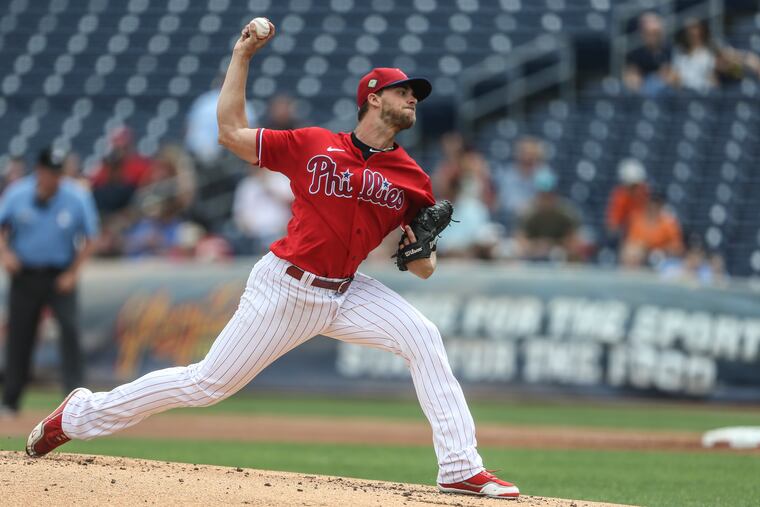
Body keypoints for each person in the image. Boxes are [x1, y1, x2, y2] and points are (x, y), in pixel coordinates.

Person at [25, 18, 519, 500]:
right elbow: (229, 132)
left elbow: (423, 268)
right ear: (373, 97)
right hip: (286, 287)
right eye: (404, 91)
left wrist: (422, 248)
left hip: (347, 290)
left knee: (423, 336)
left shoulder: (412, 177)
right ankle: (78, 415)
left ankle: (460, 468)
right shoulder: (313, 144)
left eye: (416, 95)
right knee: (207, 384)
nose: (414, 99)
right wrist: (242, 56)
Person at [0, 148, 99, 417]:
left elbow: (91, 238)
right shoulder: (17, 193)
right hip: (25, 275)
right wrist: (5, 253)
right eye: (49, 172)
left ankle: (77, 404)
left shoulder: (76, 196)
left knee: (70, 332)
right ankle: (11, 401)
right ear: (39, 171)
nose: (54, 178)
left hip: (60, 275)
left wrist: (73, 273)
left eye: (58, 172)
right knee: (20, 335)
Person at [185, 74, 256, 166]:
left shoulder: (203, 100)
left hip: (202, 155)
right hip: (217, 157)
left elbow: (188, 128)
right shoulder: (241, 103)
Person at [515, 168, 583, 262]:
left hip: (561, 259)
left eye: (549, 195)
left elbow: (575, 242)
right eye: (543, 195)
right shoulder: (527, 212)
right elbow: (520, 243)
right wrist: (538, 247)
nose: (546, 199)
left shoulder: (567, 213)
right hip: (532, 259)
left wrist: (552, 246)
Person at [493, 136, 552, 232]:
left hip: (536, 220)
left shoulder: (544, 174)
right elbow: (502, 201)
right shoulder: (508, 173)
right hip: (510, 219)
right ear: (518, 154)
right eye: (525, 153)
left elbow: (547, 201)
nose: (528, 157)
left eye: (532, 154)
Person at [231, 165, 293, 255]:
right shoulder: (246, 185)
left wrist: (268, 186)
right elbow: (239, 215)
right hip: (255, 236)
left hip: (281, 231)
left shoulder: (280, 179)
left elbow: (292, 203)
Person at [620, 191, 684, 268]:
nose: (653, 207)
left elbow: (678, 247)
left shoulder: (668, 222)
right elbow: (630, 242)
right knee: (631, 252)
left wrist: (659, 249)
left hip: (662, 258)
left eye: (656, 205)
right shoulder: (638, 220)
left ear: (660, 206)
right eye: (651, 204)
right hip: (640, 257)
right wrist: (642, 248)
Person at [623, 12, 676, 96]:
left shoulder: (667, 49)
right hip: (641, 90)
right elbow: (631, 75)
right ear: (642, 33)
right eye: (648, 33)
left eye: (655, 33)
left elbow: (670, 75)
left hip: (663, 91)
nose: (652, 37)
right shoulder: (635, 51)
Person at [606, 158, 649, 238]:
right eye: (631, 186)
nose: (635, 190)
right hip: (629, 236)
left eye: (636, 186)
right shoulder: (620, 196)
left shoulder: (647, 193)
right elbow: (613, 225)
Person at [672, 18, 717, 93]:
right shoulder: (679, 50)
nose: (692, 32)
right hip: (684, 92)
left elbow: (712, 76)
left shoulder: (710, 49)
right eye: (689, 29)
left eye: (694, 27)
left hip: (704, 91)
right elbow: (675, 74)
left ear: (701, 29)